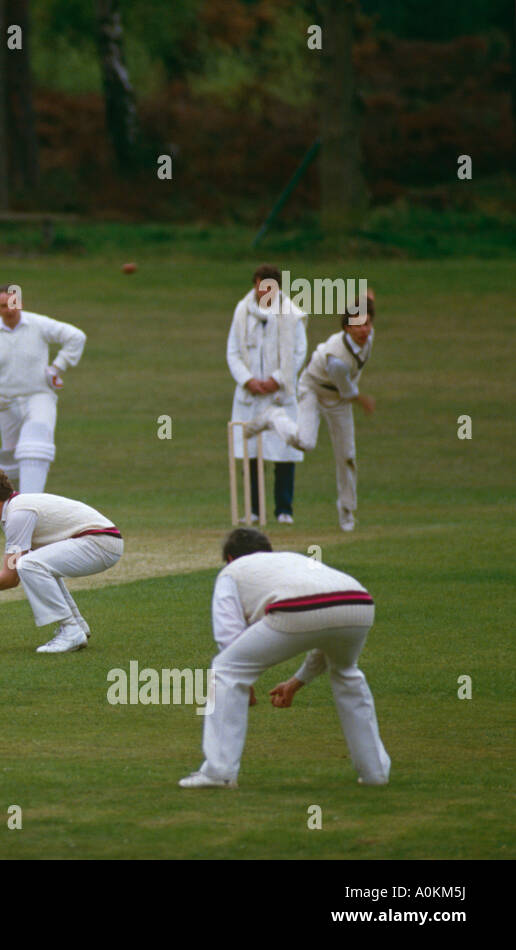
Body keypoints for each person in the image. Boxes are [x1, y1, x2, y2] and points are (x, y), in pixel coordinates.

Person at [178, 527, 390, 789]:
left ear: (231, 558)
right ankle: (375, 772)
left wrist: (243, 682)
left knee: (225, 669)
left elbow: (228, 633)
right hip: (360, 603)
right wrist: (297, 681)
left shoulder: (232, 572)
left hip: (298, 610)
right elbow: (325, 632)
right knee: (346, 672)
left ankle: (218, 772)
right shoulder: (291, 561)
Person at [0, 466, 122, 654]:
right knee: (35, 563)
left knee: (28, 564)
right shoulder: (15, 510)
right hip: (101, 542)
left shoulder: (18, 514)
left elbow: (10, 577)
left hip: (100, 543)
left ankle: (71, 630)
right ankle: (76, 625)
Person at [251, 293, 376, 532]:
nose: (364, 330)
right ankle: (274, 417)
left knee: (347, 454)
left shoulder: (369, 337)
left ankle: (346, 511)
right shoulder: (337, 359)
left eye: (368, 323)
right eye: (358, 325)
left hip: (338, 398)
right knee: (305, 442)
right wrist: (365, 402)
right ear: (347, 328)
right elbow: (349, 393)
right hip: (313, 389)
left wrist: (367, 300)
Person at [0, 283, 87, 494]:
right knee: (9, 461)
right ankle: (15, 514)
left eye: (12, 304)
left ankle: (31, 509)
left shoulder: (38, 324)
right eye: (3, 306)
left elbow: (76, 337)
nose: (9, 310)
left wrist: (57, 367)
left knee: (34, 449)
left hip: (38, 396)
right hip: (7, 403)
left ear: (21, 303)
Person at [227, 264, 307, 524]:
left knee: (283, 450)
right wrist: (248, 380)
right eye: (261, 286)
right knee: (251, 453)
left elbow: (298, 353)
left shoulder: (291, 314)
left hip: (278, 395)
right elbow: (233, 352)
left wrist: (277, 380)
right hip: (250, 396)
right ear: (255, 285)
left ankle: (284, 509)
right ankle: (253, 509)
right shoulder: (242, 311)